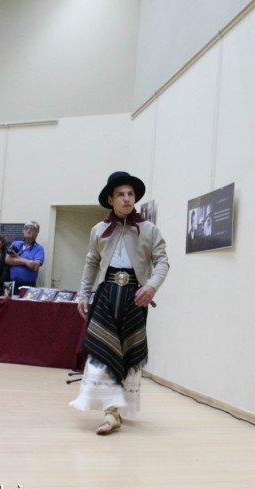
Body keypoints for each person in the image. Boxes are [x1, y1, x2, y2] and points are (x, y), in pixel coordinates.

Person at [70, 171, 169, 435]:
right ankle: (110, 412)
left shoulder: (149, 230)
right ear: (111, 200)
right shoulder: (98, 230)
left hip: (135, 298)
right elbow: (91, 262)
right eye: (121, 195)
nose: (127, 199)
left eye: (130, 194)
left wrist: (151, 285)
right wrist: (83, 294)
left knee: (128, 351)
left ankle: (117, 407)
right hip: (106, 295)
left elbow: (162, 261)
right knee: (102, 350)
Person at [5, 221, 44, 292]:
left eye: (31, 229)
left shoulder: (39, 248)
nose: (28, 231)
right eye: (26, 228)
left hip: (28, 285)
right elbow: (7, 260)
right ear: (23, 231)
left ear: (37, 233)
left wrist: (16, 258)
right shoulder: (15, 244)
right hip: (11, 284)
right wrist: (27, 261)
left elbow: (35, 266)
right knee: (9, 303)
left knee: (26, 303)